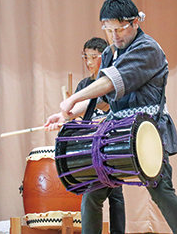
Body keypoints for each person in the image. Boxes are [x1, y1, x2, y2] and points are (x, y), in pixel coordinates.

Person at [57, 0, 177, 234]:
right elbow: (99, 97)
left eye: (119, 28)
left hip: (147, 131)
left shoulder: (148, 48)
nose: (114, 35)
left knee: (160, 192)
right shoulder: (109, 53)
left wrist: (74, 96)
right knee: (93, 191)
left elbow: (110, 83)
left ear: (135, 22)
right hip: (116, 134)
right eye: (109, 30)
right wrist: (67, 114)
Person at [44, 37, 125, 234]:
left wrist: (66, 115)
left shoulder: (111, 83)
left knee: (115, 195)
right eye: (86, 57)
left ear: (104, 57)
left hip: (110, 144)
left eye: (93, 57)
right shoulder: (84, 86)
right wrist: (63, 120)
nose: (89, 62)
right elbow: (78, 115)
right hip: (91, 148)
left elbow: (100, 104)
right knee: (92, 193)